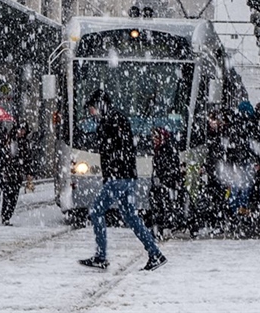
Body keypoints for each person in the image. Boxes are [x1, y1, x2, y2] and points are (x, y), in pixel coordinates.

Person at [78, 90, 166, 271]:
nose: (91, 113)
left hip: (118, 177)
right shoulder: (117, 119)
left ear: (100, 105)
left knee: (96, 211)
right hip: (126, 176)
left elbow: (110, 151)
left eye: (92, 109)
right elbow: (123, 148)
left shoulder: (109, 122)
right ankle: (155, 253)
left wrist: (111, 174)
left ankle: (101, 256)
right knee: (131, 217)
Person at [149, 126, 183, 238]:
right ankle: (159, 228)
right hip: (160, 184)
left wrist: (164, 181)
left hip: (166, 184)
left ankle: (164, 228)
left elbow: (172, 168)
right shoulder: (158, 149)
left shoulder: (167, 150)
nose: (154, 139)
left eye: (156, 137)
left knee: (165, 206)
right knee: (158, 206)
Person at [0, 121, 34, 226]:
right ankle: (5, 216)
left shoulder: (24, 143)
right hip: (8, 173)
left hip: (17, 174)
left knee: (14, 196)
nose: (21, 132)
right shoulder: (10, 140)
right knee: (7, 195)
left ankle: (7, 215)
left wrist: (28, 172)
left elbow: (27, 159)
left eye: (23, 130)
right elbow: (4, 155)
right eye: (20, 130)